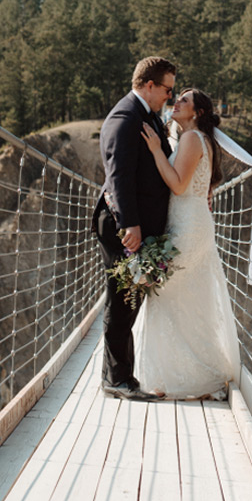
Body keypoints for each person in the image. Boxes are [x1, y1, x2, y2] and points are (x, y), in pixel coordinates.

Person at [135, 88, 241, 399]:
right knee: (184, 299)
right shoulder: (193, 139)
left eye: (184, 100)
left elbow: (180, 186)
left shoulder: (193, 139)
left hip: (188, 226)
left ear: (197, 113)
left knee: (166, 295)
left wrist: (156, 150)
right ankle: (190, 376)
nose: (176, 102)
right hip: (190, 222)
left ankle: (192, 377)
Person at [93, 56, 176, 401]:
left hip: (137, 226)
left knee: (130, 299)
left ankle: (117, 375)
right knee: (121, 300)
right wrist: (131, 225)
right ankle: (117, 379)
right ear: (150, 85)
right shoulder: (125, 118)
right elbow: (119, 178)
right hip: (123, 227)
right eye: (167, 90)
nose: (169, 97)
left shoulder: (148, 117)